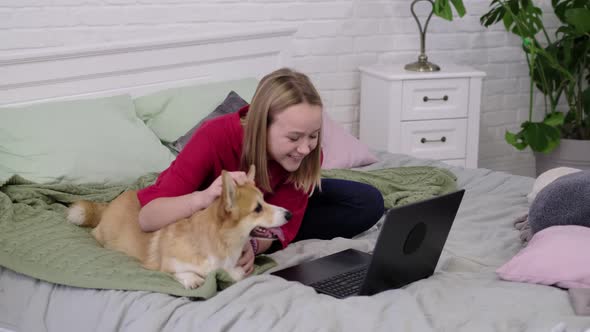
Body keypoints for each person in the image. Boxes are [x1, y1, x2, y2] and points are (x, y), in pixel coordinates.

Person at [136, 68, 384, 276]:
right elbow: (147, 218)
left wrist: (254, 245)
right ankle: (262, 226)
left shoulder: (307, 154)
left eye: (314, 135)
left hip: (270, 207)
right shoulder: (214, 136)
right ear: (261, 126)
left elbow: (285, 211)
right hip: (211, 211)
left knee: (367, 200)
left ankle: (262, 228)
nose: (305, 147)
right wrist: (203, 198)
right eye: (294, 137)